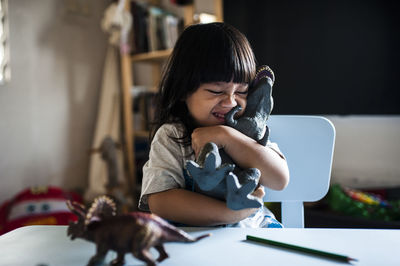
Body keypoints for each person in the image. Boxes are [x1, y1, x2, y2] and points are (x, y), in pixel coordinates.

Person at [138, 22, 289, 227]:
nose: (231, 102)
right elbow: (159, 200)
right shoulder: (172, 135)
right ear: (183, 90)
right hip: (197, 238)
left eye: (241, 91)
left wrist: (226, 137)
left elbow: (279, 180)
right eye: (216, 91)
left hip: (254, 230)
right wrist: (229, 213)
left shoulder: (250, 130)